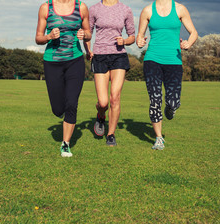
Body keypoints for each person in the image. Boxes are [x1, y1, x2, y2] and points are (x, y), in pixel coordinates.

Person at [136, 0, 198, 150]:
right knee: (155, 100)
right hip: (152, 59)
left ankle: (171, 107)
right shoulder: (147, 11)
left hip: (174, 61)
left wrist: (189, 43)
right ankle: (158, 138)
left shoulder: (180, 9)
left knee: (173, 101)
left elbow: (194, 33)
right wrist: (139, 41)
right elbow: (140, 36)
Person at [35, 0, 91, 157]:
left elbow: (88, 33)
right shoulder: (46, 8)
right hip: (52, 62)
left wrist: (84, 34)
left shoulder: (81, 7)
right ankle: (61, 111)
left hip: (75, 60)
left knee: (72, 103)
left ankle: (65, 144)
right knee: (58, 109)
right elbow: (38, 38)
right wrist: (49, 36)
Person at [84, 0, 135, 146]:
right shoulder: (93, 9)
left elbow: (132, 36)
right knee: (103, 102)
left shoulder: (126, 10)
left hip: (119, 56)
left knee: (115, 97)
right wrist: (88, 50)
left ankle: (111, 134)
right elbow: (88, 33)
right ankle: (101, 115)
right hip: (99, 56)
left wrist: (124, 41)